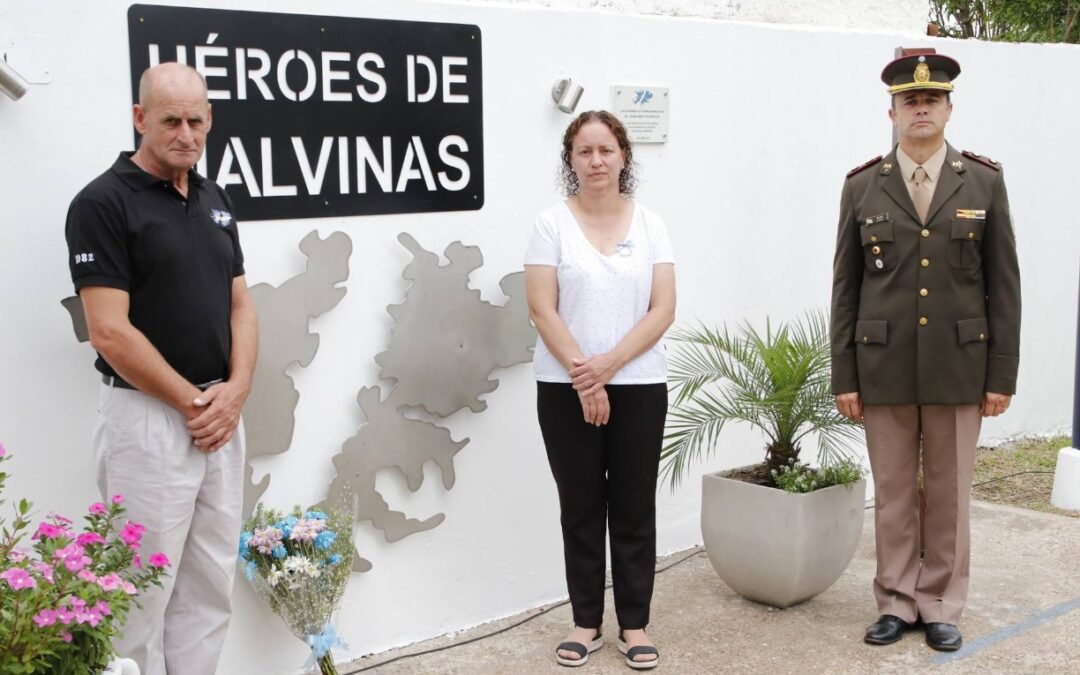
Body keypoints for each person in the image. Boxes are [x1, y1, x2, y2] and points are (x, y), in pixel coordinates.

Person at [65, 62, 257, 675]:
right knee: (137, 594)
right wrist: (193, 403)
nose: (186, 134)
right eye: (170, 120)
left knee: (209, 583)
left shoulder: (214, 197)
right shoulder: (102, 203)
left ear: (210, 121)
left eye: (197, 120)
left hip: (220, 419)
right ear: (140, 119)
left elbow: (241, 304)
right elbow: (109, 330)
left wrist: (236, 393)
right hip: (148, 420)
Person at [830, 52, 1020, 652]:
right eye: (910, 101)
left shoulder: (983, 181)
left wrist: (1001, 375)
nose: (921, 108)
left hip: (959, 365)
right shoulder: (862, 186)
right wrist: (845, 374)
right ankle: (894, 600)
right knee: (890, 492)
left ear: (948, 108)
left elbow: (1004, 285)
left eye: (931, 99)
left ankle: (939, 602)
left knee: (949, 491)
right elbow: (846, 287)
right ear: (890, 111)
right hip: (882, 364)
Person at [524, 110, 676, 670]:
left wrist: (606, 367)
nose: (596, 161)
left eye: (605, 150)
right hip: (563, 387)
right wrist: (582, 376)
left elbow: (663, 309)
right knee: (581, 505)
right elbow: (542, 308)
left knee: (634, 506)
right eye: (584, 151)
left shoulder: (651, 224)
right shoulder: (550, 225)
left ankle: (633, 624)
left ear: (623, 157)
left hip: (638, 384)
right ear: (570, 160)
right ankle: (585, 622)